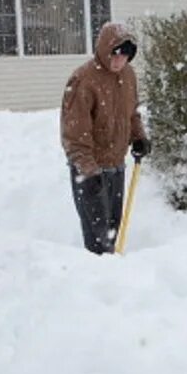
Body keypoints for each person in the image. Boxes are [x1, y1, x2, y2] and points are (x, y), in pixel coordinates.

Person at [61, 22, 151, 254]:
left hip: (117, 167)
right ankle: (96, 284)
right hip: (90, 173)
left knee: (113, 231)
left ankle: (113, 280)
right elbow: (74, 135)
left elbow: (131, 113)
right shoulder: (83, 80)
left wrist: (138, 136)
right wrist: (89, 172)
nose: (120, 61)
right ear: (104, 50)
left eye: (126, 56)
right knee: (97, 239)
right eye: (117, 54)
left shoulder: (128, 75)